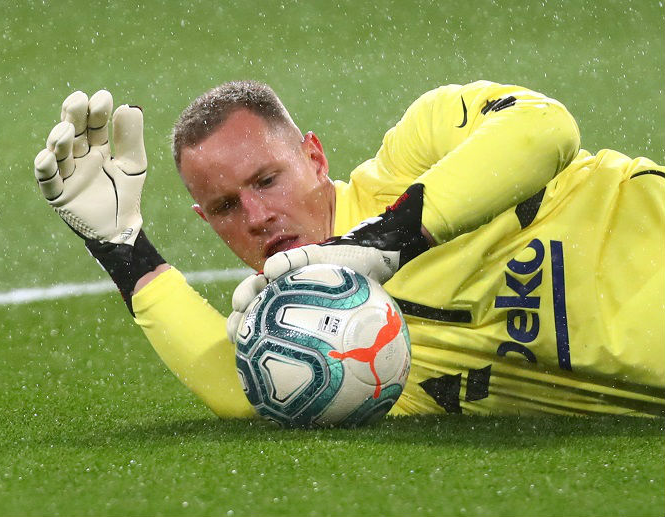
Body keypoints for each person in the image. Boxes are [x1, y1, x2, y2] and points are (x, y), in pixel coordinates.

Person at [33, 80, 665, 418]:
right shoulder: (327, 349)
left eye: (267, 180)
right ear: (207, 222)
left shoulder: (418, 150)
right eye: (226, 207)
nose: (257, 217)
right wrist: (121, 247)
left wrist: (385, 241)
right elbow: (249, 391)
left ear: (314, 157)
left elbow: (545, 127)